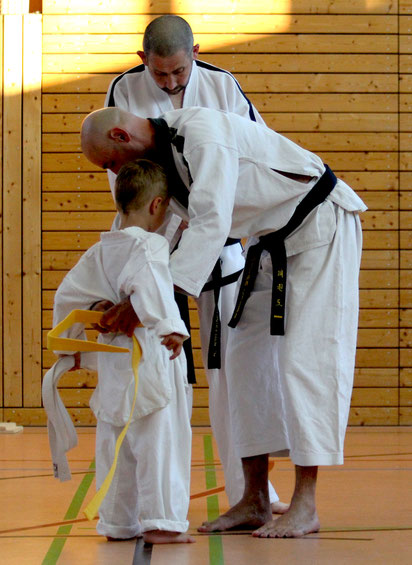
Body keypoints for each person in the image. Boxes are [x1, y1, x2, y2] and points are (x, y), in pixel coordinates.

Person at [80, 105, 367, 538]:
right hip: (270, 241)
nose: (114, 171)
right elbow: (152, 234)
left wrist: (146, 306)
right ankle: (255, 499)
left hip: (321, 226)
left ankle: (305, 505)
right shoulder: (161, 164)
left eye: (109, 162)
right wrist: (119, 294)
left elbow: (211, 222)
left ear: (121, 137)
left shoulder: (201, 135)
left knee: (305, 361)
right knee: (243, 363)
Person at [104, 14, 287, 514]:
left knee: (232, 371)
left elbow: (259, 155)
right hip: (155, 244)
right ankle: (160, 499)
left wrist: (225, 220)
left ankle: (253, 493)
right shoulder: (123, 90)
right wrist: (161, 234)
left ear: (195, 53)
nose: (171, 83)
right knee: (165, 369)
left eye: (179, 72)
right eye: (160, 74)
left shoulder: (224, 87)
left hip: (224, 243)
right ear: (143, 61)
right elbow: (121, 178)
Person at [53, 159, 194, 544]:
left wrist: (72, 342)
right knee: (160, 439)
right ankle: (162, 522)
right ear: (157, 206)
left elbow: (68, 295)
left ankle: (117, 522)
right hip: (149, 355)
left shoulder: (101, 250)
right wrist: (171, 327)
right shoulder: (149, 245)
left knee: (115, 440)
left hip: (114, 360)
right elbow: (151, 285)